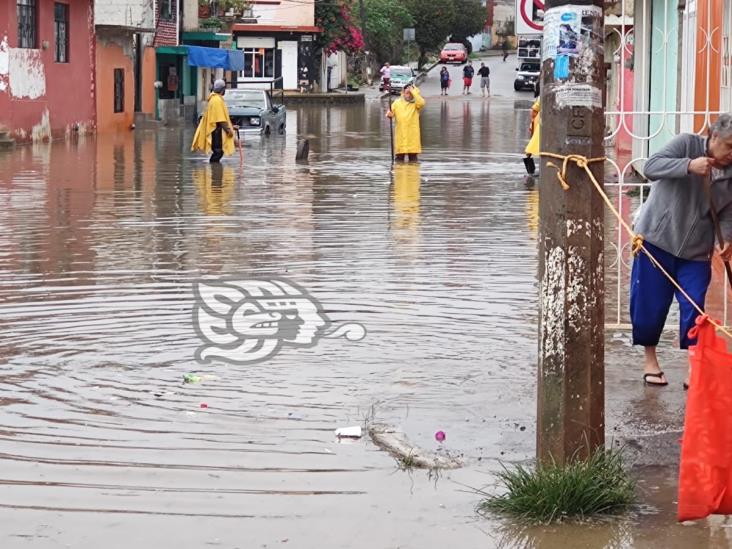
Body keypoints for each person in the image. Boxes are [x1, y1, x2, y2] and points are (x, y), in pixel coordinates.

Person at [631, 113, 732, 388]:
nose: (731, 154)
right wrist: (688, 165)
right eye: (730, 146)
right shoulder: (686, 144)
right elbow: (651, 166)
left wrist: (726, 240)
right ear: (713, 137)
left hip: (696, 252)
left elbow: (727, 214)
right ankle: (650, 360)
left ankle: (694, 367)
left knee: (694, 307)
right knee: (649, 304)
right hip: (656, 241)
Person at [191, 79, 238, 163]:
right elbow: (220, 119)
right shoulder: (216, 100)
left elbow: (220, 116)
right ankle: (214, 172)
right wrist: (228, 130)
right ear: (222, 89)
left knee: (218, 152)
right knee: (218, 152)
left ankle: (215, 171)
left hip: (216, 129)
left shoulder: (214, 99)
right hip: (215, 131)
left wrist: (231, 127)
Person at [386, 83, 425, 162]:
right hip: (401, 136)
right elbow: (390, 113)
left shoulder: (416, 104)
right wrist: (389, 114)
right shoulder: (397, 103)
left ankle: (413, 174)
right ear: (403, 93)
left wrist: (414, 92)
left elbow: (421, 103)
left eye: (411, 94)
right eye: (407, 93)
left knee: (413, 159)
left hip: (412, 137)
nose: (409, 95)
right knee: (399, 159)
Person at [523, 81, 540, 174]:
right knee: (533, 145)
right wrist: (533, 122)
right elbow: (534, 110)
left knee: (533, 145)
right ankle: (530, 171)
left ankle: (531, 170)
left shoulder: (541, 97)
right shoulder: (542, 97)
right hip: (539, 124)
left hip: (538, 124)